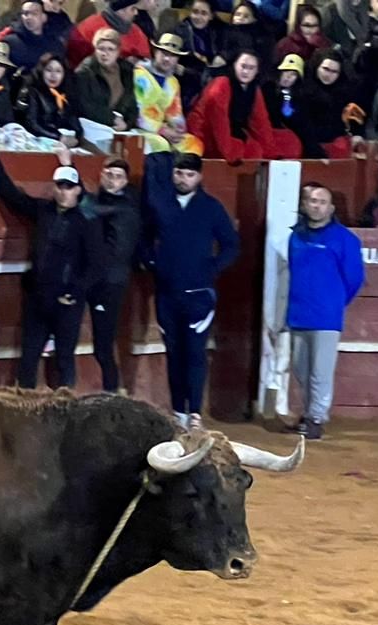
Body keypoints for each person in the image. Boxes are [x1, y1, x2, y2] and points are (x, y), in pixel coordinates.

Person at [0, 146, 99, 389]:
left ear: (77, 190)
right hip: (38, 296)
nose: (64, 192)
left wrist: (74, 293)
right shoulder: (43, 210)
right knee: (29, 358)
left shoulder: (85, 222)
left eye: (69, 187)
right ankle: (27, 410)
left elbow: (95, 265)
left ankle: (64, 414)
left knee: (64, 357)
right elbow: (12, 197)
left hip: (65, 302)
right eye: (60, 186)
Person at [140, 150, 238, 430]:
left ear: (200, 176)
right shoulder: (161, 203)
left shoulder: (211, 207)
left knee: (194, 353)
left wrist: (211, 268)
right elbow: (145, 236)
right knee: (174, 353)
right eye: (179, 173)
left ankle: (194, 412)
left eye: (189, 174)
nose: (183, 179)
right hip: (167, 293)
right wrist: (151, 262)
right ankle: (178, 411)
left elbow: (231, 244)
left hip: (198, 295)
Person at [282, 183, 364, 442]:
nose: (316, 206)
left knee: (320, 371)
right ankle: (309, 413)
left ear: (331, 208)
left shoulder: (345, 239)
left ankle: (317, 417)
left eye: (321, 202)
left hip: (326, 315)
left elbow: (354, 278)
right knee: (301, 369)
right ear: (306, 205)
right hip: (299, 312)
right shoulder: (296, 237)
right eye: (312, 201)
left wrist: (335, 302)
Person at [79, 151, 139, 392]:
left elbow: (87, 209)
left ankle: (111, 396)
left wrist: (68, 165)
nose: (112, 179)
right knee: (101, 346)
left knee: (103, 347)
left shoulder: (125, 208)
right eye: (108, 174)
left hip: (108, 284)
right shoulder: (107, 202)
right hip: (99, 279)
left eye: (118, 176)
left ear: (125, 182)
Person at [188, 48, 278, 161]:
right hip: (205, 133)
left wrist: (270, 154)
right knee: (250, 151)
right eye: (243, 66)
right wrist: (229, 153)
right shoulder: (221, 85)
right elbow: (219, 122)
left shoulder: (254, 89)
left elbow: (261, 123)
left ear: (257, 71)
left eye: (251, 68)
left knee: (285, 142)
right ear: (235, 65)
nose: (246, 72)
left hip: (230, 132)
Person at [132, 31, 203, 153]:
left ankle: (181, 172)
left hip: (164, 130)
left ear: (177, 59)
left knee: (194, 145)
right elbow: (137, 114)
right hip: (141, 128)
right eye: (164, 53)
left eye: (172, 56)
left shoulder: (173, 82)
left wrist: (177, 132)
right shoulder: (139, 74)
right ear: (155, 52)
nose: (167, 59)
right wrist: (162, 130)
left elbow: (175, 114)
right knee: (160, 145)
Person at [72, 27, 137, 131]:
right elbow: (85, 107)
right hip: (92, 127)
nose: (105, 53)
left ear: (118, 52)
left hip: (120, 128)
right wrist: (112, 119)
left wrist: (127, 124)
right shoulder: (84, 72)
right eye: (101, 48)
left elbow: (132, 105)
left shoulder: (126, 71)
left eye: (110, 49)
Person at [15, 52, 76, 140]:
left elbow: (73, 121)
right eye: (49, 70)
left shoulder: (65, 93)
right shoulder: (32, 91)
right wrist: (59, 137)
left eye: (58, 71)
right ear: (41, 71)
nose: (53, 75)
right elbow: (32, 124)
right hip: (35, 140)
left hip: (61, 142)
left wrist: (77, 136)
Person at [4, 0, 64, 69]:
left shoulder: (56, 46)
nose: (29, 17)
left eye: (34, 13)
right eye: (25, 13)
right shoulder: (9, 42)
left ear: (44, 17)